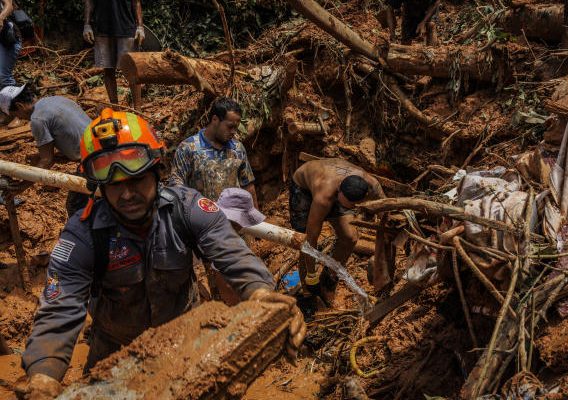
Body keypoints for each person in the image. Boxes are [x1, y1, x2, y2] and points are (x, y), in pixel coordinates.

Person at [18, 109, 305, 397]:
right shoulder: (83, 234)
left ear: (158, 171)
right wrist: (44, 375)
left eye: (137, 179)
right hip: (115, 354)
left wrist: (262, 294)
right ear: (99, 187)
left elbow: (233, 253)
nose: (127, 194)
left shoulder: (187, 208)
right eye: (114, 185)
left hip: (184, 342)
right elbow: (60, 308)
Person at [290, 158, 385, 306]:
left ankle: (328, 282)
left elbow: (386, 211)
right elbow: (310, 240)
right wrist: (311, 276)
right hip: (304, 190)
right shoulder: (324, 197)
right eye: (341, 204)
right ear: (340, 187)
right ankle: (308, 293)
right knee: (303, 239)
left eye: (350, 206)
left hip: (338, 192)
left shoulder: (371, 185)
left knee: (350, 237)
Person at [0, 83, 92, 215]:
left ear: (20, 106)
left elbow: (47, 160)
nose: (19, 119)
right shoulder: (55, 99)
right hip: (99, 144)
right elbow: (72, 135)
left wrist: (22, 186)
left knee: (75, 207)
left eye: (16, 115)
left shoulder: (37, 119)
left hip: (93, 160)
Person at [170, 97, 258, 207]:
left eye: (236, 127)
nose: (234, 132)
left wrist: (255, 219)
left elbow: (248, 185)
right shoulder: (188, 148)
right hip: (200, 220)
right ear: (215, 119)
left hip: (231, 221)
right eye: (230, 126)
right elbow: (176, 187)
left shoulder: (237, 149)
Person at [83, 0, 144, 104]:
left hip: (127, 27)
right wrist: (87, 25)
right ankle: (115, 108)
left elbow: (136, 2)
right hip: (102, 28)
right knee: (108, 70)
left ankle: (138, 111)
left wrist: (140, 26)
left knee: (132, 71)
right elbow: (89, 1)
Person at [0, 0, 19, 89]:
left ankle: (14, 99)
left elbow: (9, 4)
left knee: (3, 77)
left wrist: (1, 17)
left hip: (7, 38)